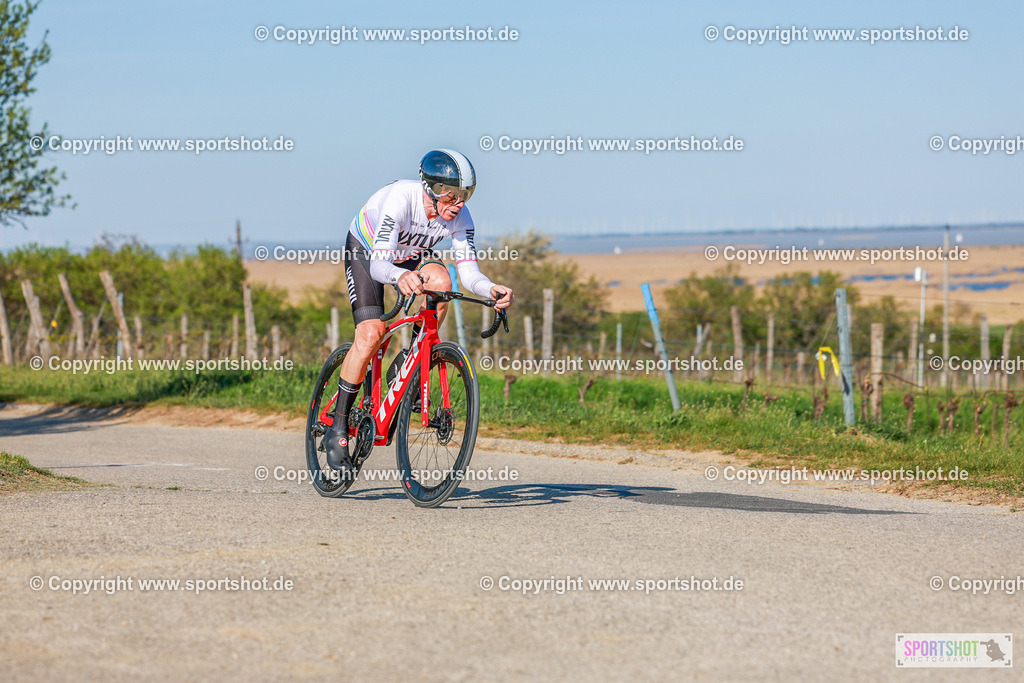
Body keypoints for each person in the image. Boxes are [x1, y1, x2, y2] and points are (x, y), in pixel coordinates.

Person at [324, 149, 514, 473]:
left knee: (442, 280)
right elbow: (381, 265)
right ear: (431, 188)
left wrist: (489, 288)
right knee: (370, 334)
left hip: (410, 253)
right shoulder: (401, 200)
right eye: (452, 195)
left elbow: (468, 273)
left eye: (465, 196)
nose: (459, 204)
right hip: (369, 252)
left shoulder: (462, 218)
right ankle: (337, 424)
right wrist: (401, 276)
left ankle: (409, 359)